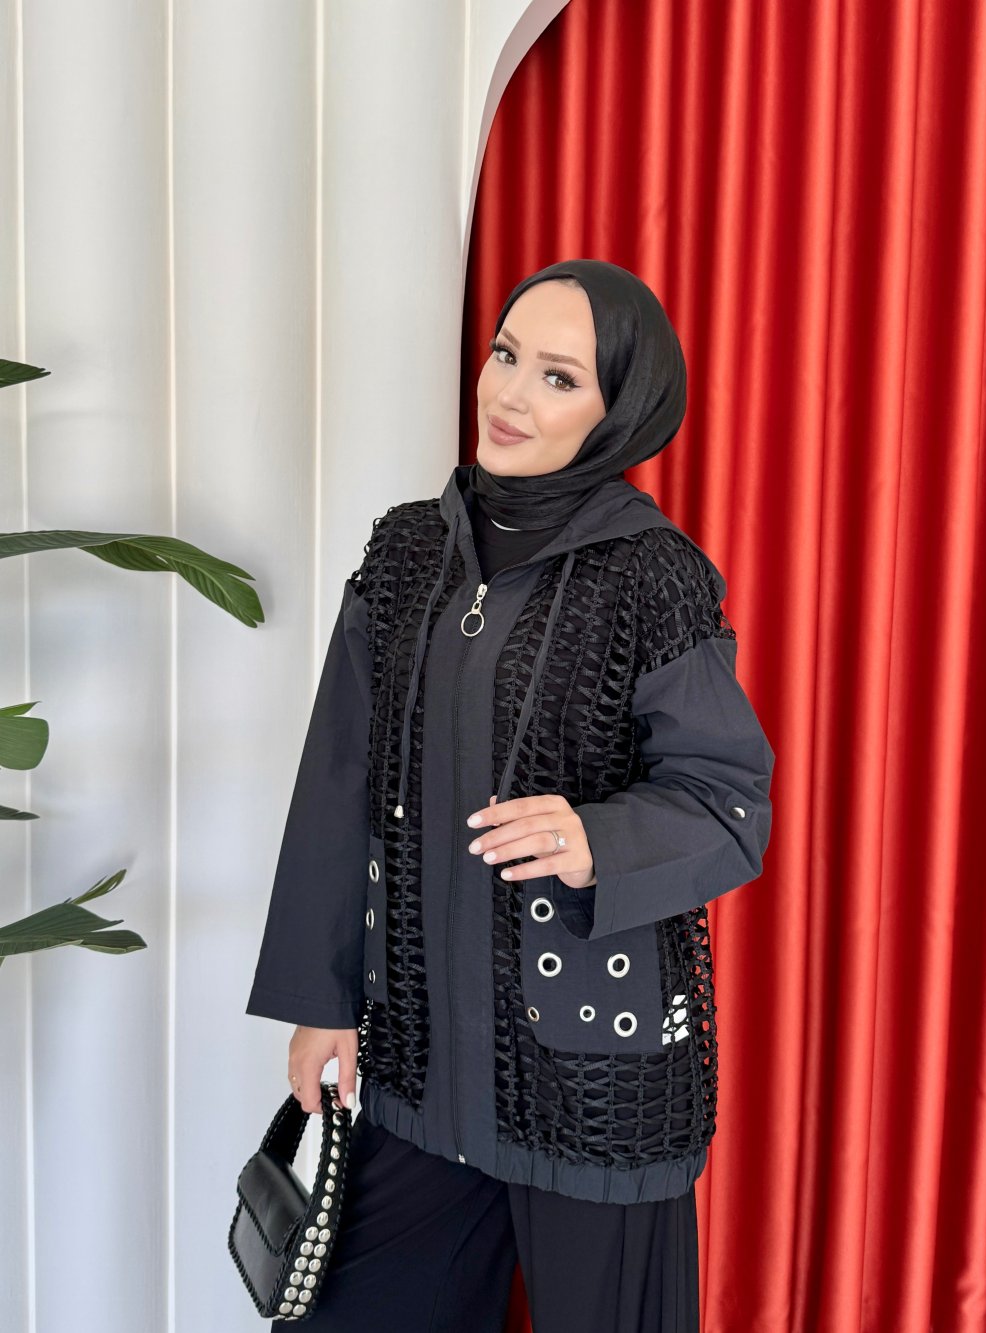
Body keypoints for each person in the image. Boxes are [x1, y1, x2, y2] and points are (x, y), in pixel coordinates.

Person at [246, 257, 776, 1332]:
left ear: (617, 410)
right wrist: (321, 998)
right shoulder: (407, 553)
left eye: (558, 377)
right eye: (505, 355)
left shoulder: (652, 574)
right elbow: (336, 784)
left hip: (597, 1075)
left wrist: (597, 839)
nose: (510, 394)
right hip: (419, 1064)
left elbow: (729, 801)